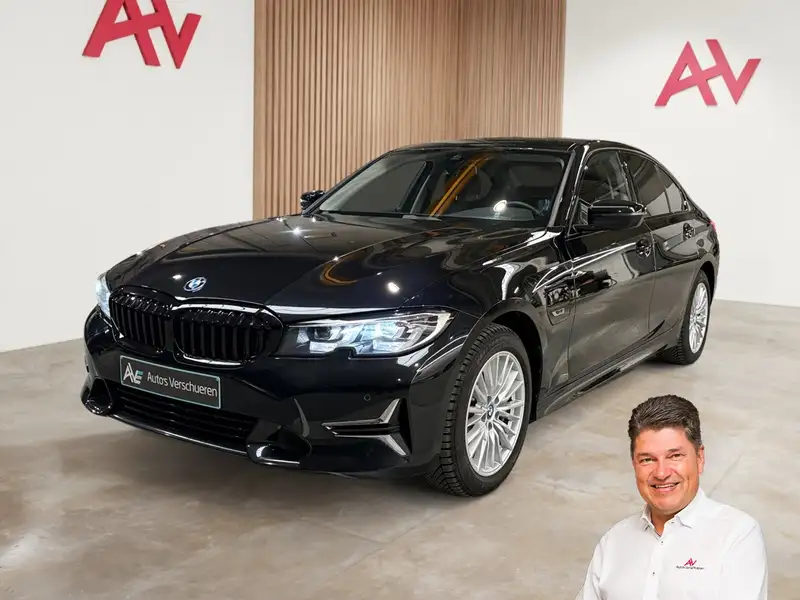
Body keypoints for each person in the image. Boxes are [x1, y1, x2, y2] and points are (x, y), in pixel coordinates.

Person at [575, 394, 768, 600]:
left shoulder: (737, 535)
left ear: (700, 458)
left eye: (675, 456)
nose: (661, 473)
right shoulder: (613, 542)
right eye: (647, 459)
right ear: (634, 465)